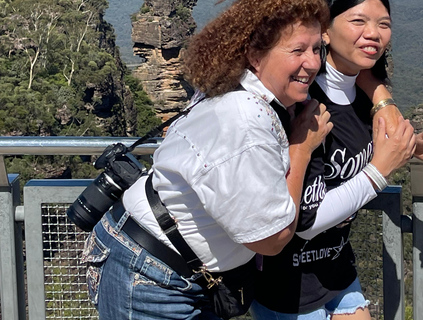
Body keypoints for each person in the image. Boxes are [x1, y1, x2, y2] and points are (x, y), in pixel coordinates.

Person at [80, 0, 333, 319]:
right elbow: (271, 239)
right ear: (255, 56)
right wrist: (301, 147)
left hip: (174, 269)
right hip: (149, 276)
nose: (312, 63)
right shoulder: (244, 121)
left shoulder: (236, 87)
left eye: (316, 49)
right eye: (297, 51)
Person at [251, 0, 423, 319]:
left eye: (383, 24)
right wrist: (381, 170)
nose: (373, 33)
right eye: (358, 21)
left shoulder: (365, 98)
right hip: (288, 285)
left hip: (337, 268)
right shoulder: (304, 105)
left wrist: (413, 146)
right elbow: (305, 222)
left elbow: (364, 146)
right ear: (326, 32)